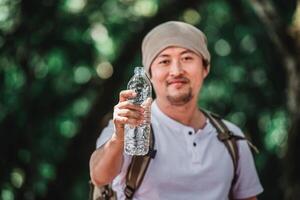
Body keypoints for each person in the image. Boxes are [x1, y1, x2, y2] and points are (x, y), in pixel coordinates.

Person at [89, 21, 263, 200]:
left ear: (205, 68)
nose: (176, 70)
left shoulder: (231, 138)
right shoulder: (130, 128)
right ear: (149, 74)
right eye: (164, 61)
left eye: (187, 58)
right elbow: (99, 176)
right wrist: (118, 138)